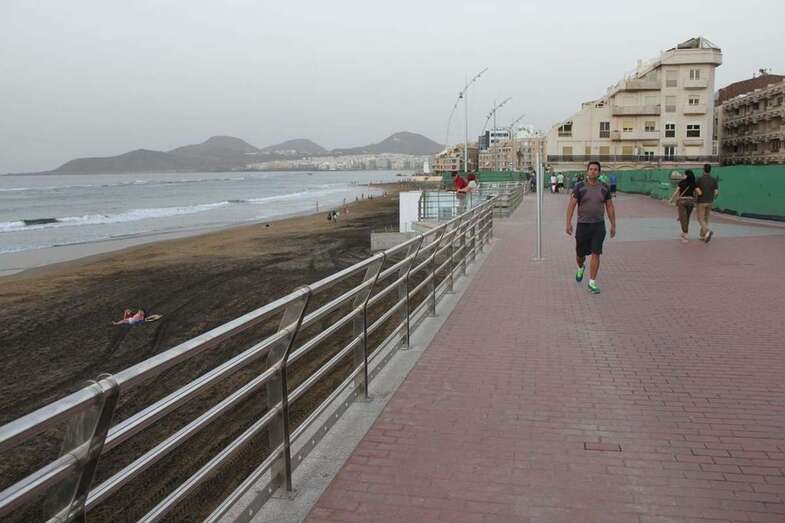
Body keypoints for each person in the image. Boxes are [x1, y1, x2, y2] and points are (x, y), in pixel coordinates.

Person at [565, 161, 616, 294]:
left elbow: (609, 206)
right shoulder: (579, 187)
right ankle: (581, 267)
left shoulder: (605, 188)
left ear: (599, 172)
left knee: (596, 252)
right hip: (583, 225)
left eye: (595, 169)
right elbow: (572, 205)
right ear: (587, 171)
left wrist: (613, 225)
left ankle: (592, 282)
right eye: (591, 169)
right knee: (580, 254)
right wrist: (568, 222)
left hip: (598, 225)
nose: (593, 171)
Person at [694, 163, 719, 243]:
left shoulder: (699, 179)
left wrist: (698, 194)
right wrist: (712, 198)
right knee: (706, 218)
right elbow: (716, 192)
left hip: (701, 201)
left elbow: (698, 191)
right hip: (710, 201)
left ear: (703, 169)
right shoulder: (714, 180)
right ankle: (702, 236)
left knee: (700, 219)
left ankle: (707, 231)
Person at [672, 170, 697, 243]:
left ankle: (685, 235)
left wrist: (672, 199)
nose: (683, 175)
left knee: (683, 218)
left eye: (684, 174)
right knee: (687, 217)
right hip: (691, 202)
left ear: (686, 175)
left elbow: (676, 192)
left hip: (682, 201)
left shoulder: (681, 183)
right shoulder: (693, 184)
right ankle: (684, 232)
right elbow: (698, 192)